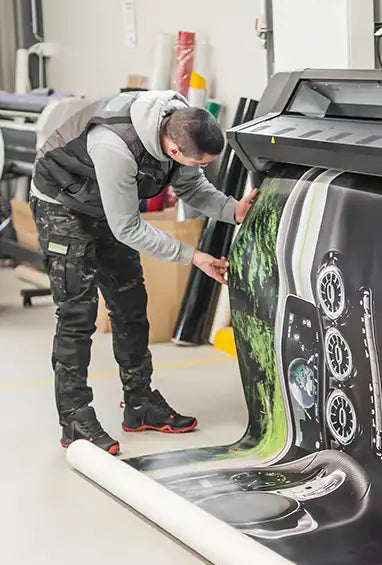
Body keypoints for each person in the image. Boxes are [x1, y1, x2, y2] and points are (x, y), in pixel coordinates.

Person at [29, 90, 257, 455]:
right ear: (176, 150)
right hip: (64, 204)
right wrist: (192, 256)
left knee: (131, 304)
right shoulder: (114, 147)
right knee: (77, 314)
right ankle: (74, 418)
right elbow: (128, 228)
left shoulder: (182, 123)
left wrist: (233, 210)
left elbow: (192, 188)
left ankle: (140, 404)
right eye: (198, 161)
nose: (199, 167)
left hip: (108, 207)